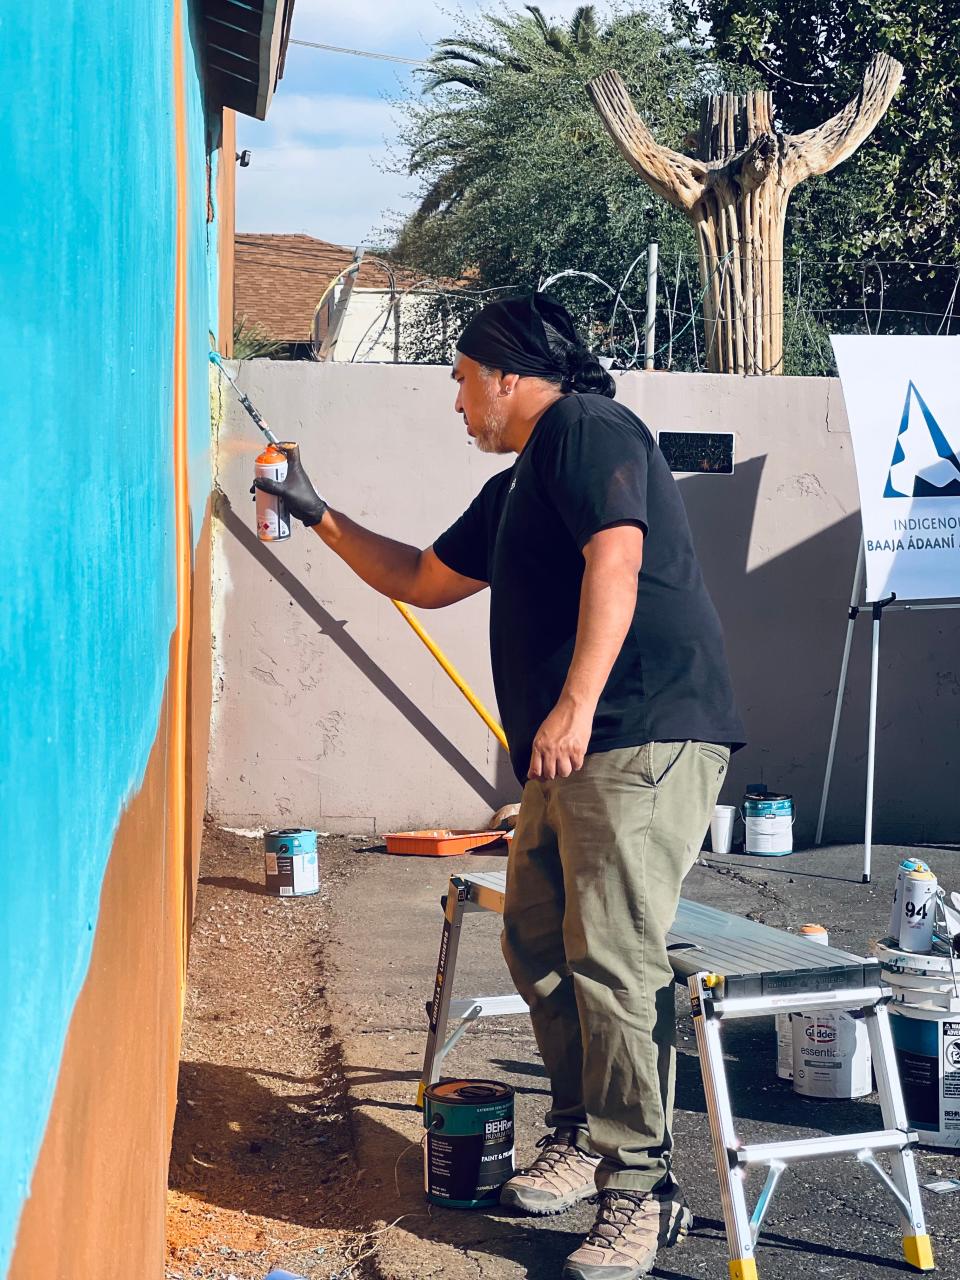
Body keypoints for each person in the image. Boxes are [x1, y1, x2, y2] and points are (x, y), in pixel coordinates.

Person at [255, 293, 745, 1280]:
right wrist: (315, 512)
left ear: (513, 372)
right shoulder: (525, 479)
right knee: (535, 938)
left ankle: (640, 1191)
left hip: (639, 731)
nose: (456, 401)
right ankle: (580, 1132)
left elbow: (620, 553)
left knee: (612, 953)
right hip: (574, 751)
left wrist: (572, 703)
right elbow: (427, 577)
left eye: (463, 378)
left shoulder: (586, 427)